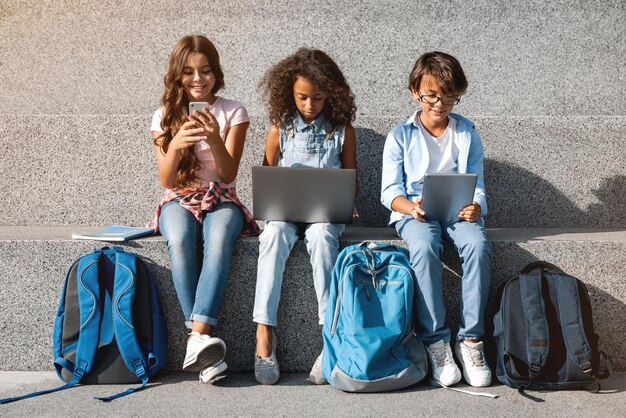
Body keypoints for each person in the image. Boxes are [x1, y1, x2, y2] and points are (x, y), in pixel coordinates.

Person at [149, 35, 259, 384]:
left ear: (217, 73)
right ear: (177, 76)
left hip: (221, 197)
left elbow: (228, 173)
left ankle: (196, 336)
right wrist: (178, 144)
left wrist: (212, 137)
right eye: (189, 72)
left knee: (220, 235)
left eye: (206, 71)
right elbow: (167, 179)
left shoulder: (233, 111)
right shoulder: (164, 114)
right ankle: (202, 342)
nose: (198, 79)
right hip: (178, 198)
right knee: (179, 237)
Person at [380, 51, 492, 388]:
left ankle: (471, 341)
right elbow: (389, 191)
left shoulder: (467, 132)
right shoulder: (400, 134)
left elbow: (478, 186)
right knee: (426, 245)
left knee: (478, 244)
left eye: (449, 96)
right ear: (415, 91)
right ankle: (437, 341)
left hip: (457, 209)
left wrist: (476, 207)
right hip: (416, 211)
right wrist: (409, 208)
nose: (440, 103)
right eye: (431, 95)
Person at [253, 48, 358, 385]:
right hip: (284, 212)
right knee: (272, 236)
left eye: (318, 97)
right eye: (302, 97)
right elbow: (269, 171)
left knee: (323, 237)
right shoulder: (280, 125)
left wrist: (346, 199)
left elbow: (351, 178)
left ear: (332, 93)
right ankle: (264, 333)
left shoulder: (342, 128)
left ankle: (329, 337)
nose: (310, 105)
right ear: (290, 92)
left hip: (324, 214)